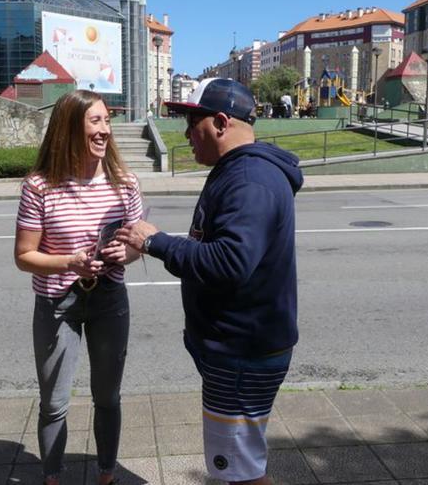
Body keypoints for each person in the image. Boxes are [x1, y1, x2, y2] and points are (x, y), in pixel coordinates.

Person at [116, 78, 303, 485]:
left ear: (220, 122)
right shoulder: (238, 170)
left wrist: (155, 242)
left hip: (242, 353)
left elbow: (229, 262)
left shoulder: (250, 180)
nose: (186, 133)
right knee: (243, 464)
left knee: (239, 473)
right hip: (238, 349)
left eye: (192, 121)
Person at [14, 89, 143, 485]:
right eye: (95, 122)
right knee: (54, 402)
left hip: (108, 298)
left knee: (108, 397)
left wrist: (127, 253)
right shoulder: (39, 186)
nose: (105, 130)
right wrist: (69, 261)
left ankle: (106, 476)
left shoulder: (125, 183)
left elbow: (139, 244)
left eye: (107, 121)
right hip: (58, 301)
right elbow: (23, 255)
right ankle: (52, 478)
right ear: (70, 127)